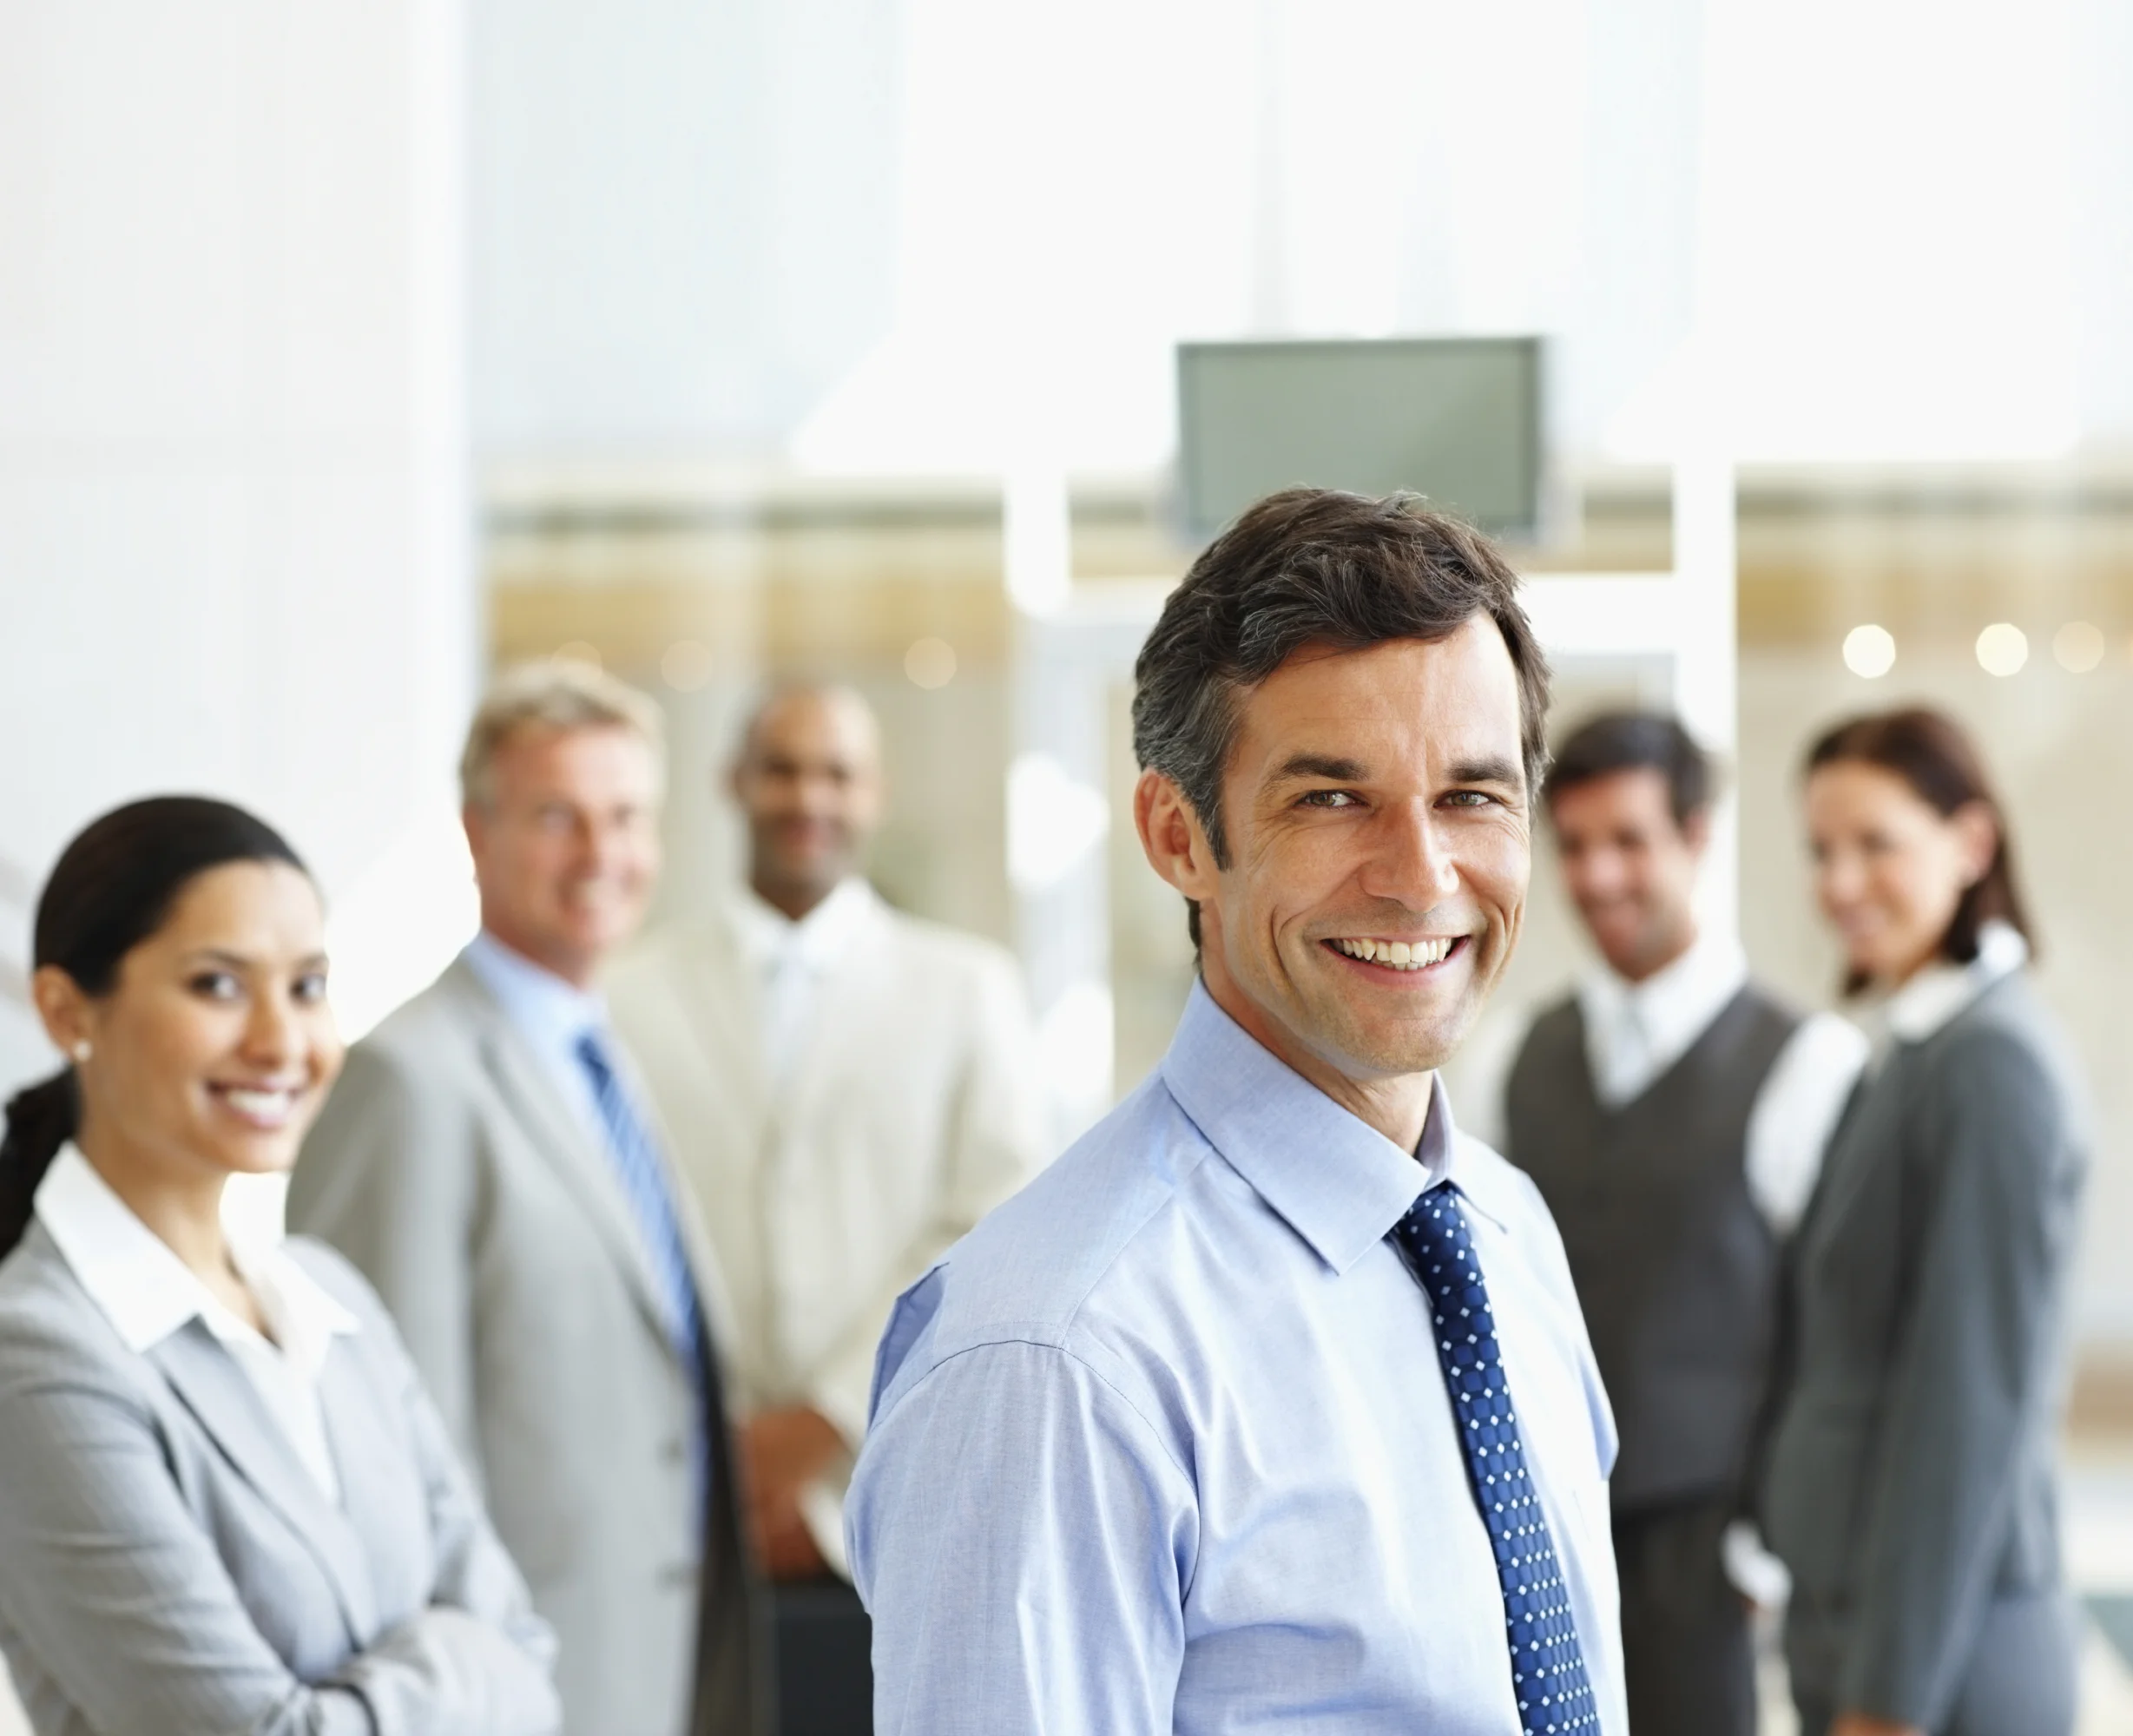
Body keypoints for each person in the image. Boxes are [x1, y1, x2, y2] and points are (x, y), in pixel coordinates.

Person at [847, 488, 1628, 1733]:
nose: (1422, 877)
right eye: (1330, 798)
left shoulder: (1507, 1234)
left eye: (1472, 797)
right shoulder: (1056, 1360)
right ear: (1177, 836)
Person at [0, 796, 559, 1735]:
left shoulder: (332, 1299)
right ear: (66, 1009)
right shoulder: (39, 1354)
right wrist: (465, 1662)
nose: (281, 1041)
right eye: (218, 985)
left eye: (308, 986)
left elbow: (533, 1663)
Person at [289, 664, 766, 1736]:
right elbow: (385, 1466)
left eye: (627, 816)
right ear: (476, 834)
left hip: (666, 1663)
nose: (603, 855)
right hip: (520, 1688)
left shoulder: (609, 1056)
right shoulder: (408, 1078)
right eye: (559, 817)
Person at [608, 682, 1047, 1594]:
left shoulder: (968, 988)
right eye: (781, 770)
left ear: (874, 792)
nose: (808, 798)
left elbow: (998, 1224)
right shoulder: (625, 993)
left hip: (904, 1483)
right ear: (733, 783)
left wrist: (825, 1416)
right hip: (677, 1495)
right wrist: (720, 1437)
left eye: (836, 774)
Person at [1484, 713, 1866, 1736]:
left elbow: (1829, 1335)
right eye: (1574, 845)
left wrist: (1763, 1548)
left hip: (1709, 1547)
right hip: (1543, 1526)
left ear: (1697, 837)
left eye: (1629, 841)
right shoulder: (1520, 1052)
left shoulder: (1807, 1060)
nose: (1598, 876)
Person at [1764, 707, 2085, 1736]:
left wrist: (1888, 1699)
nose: (1841, 884)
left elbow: (1968, 1405)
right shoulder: (1915, 1048)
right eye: (1823, 851)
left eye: (1876, 844)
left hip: (1940, 1667)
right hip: (1864, 1630)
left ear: (1971, 843)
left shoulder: (1991, 1064)